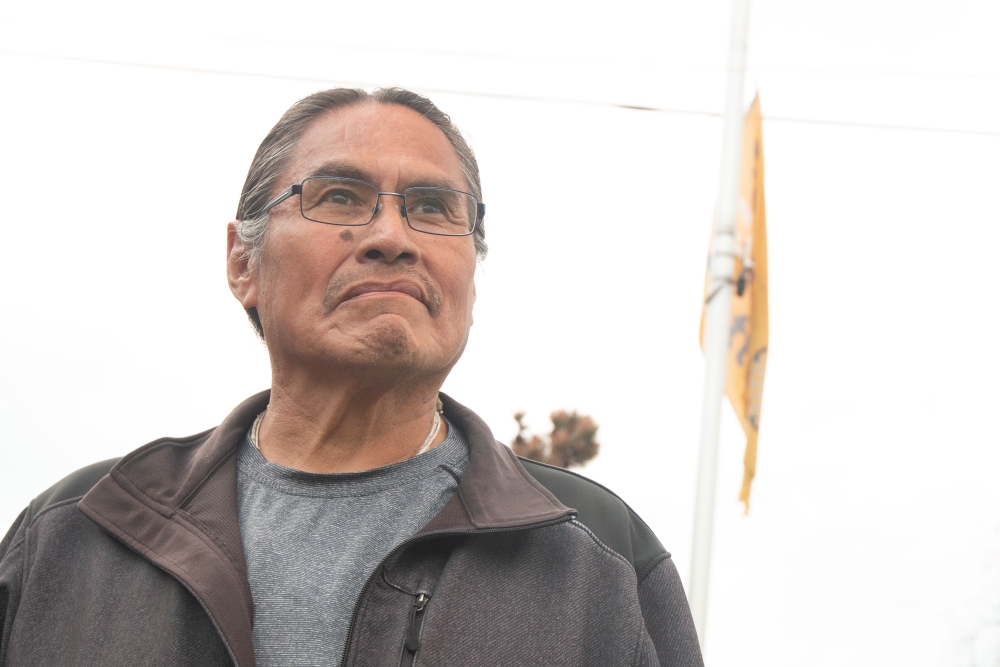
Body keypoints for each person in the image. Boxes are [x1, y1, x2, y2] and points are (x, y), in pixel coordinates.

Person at [0, 87, 703, 667]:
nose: (392, 238)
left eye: (432, 208)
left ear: (471, 277)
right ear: (243, 262)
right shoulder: (72, 540)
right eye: (338, 196)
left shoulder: (599, 563)